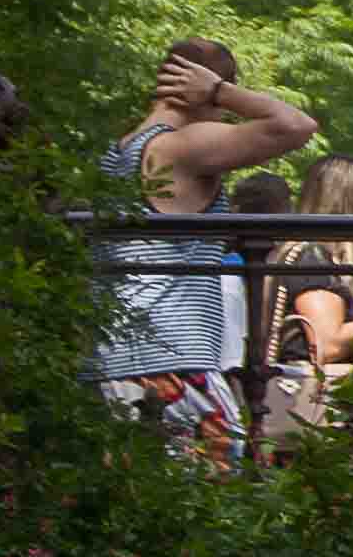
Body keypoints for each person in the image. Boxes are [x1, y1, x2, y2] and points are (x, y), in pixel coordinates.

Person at [99, 39, 316, 452]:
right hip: (173, 370)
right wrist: (221, 92)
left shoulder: (119, 151)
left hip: (115, 365)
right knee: (206, 506)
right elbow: (296, 126)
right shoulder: (179, 147)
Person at [250, 151, 353, 438]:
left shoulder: (296, 252)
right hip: (306, 412)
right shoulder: (313, 257)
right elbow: (326, 347)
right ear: (347, 199)